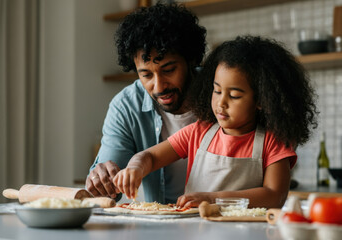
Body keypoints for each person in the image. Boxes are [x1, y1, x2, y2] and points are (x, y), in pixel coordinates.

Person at [112, 36, 318, 208]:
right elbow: (150, 157)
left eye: (235, 96)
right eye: (217, 91)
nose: (221, 103)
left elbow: (274, 196)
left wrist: (213, 200)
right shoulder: (198, 132)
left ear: (262, 101)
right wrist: (136, 167)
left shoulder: (273, 142)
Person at [86, 3, 207, 203]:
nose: (159, 87)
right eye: (146, 74)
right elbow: (109, 190)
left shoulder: (221, 93)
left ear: (191, 59)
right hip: (160, 225)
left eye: (168, 70)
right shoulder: (126, 107)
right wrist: (101, 181)